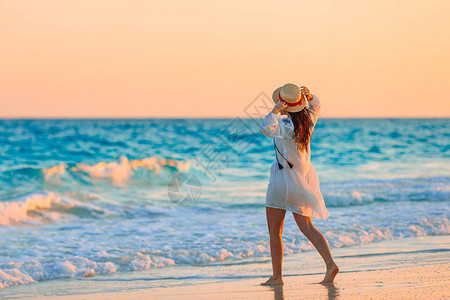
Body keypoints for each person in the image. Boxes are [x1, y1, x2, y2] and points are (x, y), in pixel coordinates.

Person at [258, 83, 339, 285]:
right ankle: (330, 264)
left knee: (275, 231)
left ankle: (277, 277)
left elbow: (265, 128)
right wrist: (309, 95)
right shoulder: (308, 121)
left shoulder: (285, 126)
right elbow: (316, 104)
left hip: (282, 182)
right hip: (302, 182)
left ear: (285, 105)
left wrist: (275, 110)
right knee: (308, 228)